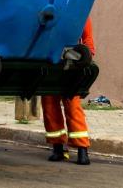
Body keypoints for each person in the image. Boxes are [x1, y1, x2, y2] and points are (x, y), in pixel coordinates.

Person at [41, 18, 95, 165]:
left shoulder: (80, 9)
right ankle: (58, 149)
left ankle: (82, 150)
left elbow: (87, 36)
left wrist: (88, 56)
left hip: (72, 65)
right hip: (50, 63)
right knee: (50, 106)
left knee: (73, 105)